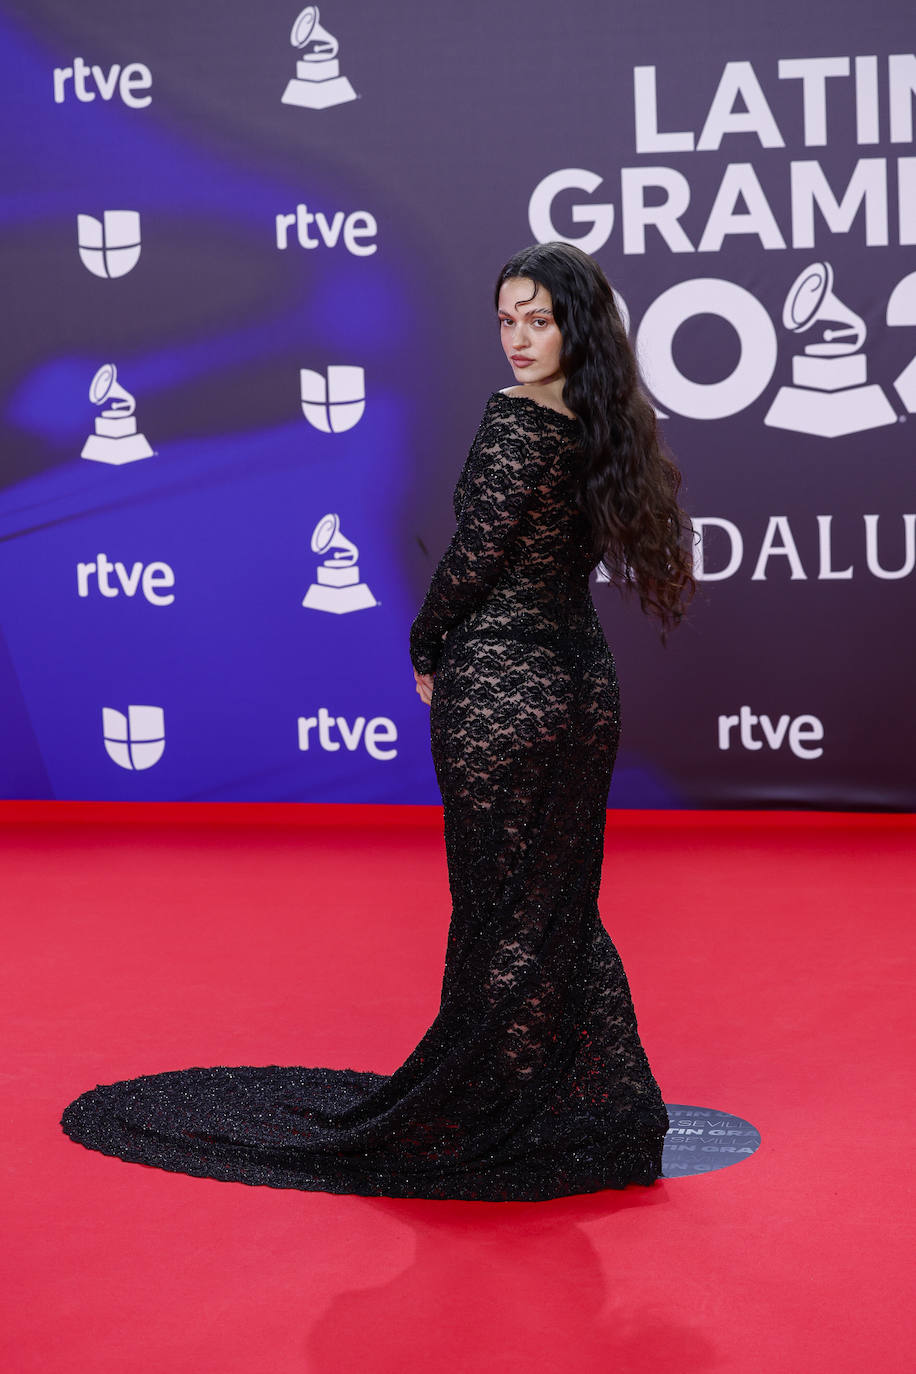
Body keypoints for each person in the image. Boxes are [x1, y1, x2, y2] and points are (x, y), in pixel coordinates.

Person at [61, 241, 694, 1202]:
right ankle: (607, 1112)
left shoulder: (517, 423)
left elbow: (475, 560)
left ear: (576, 326)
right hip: (581, 692)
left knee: (499, 912)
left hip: (500, 691)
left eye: (539, 319)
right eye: (506, 321)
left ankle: (487, 1113)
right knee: (558, 908)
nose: (519, 340)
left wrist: (426, 644)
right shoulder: (606, 423)